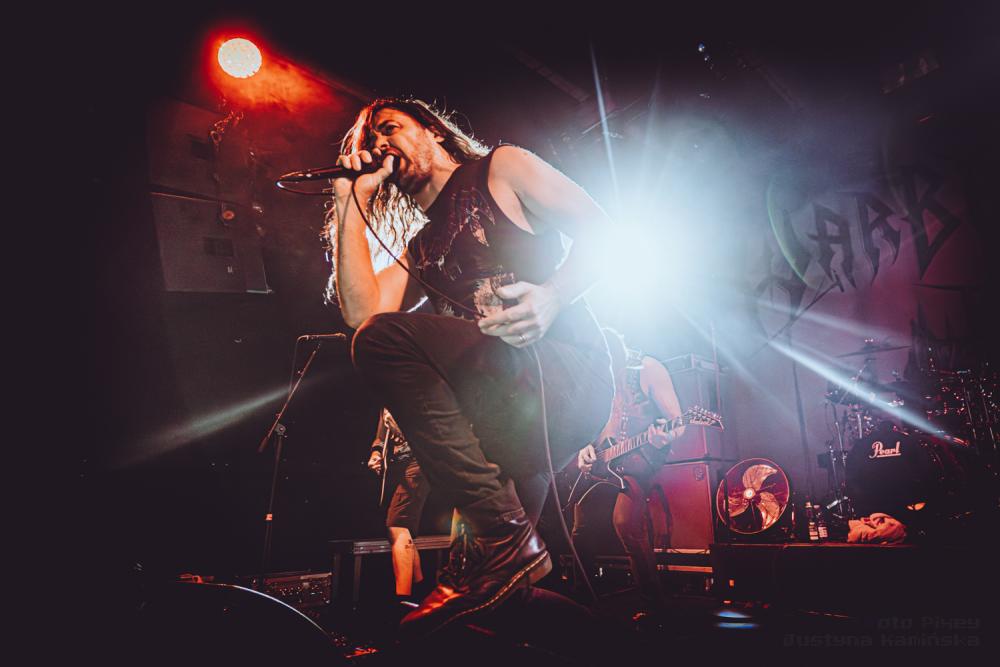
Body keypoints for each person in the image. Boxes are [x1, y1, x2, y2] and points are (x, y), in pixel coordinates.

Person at [325, 97, 615, 634]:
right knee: (488, 595)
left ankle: (506, 536)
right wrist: (348, 200)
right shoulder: (419, 246)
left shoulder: (501, 169)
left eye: (390, 128)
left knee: (386, 340)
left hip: (564, 373)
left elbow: (606, 230)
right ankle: (611, 642)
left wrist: (554, 295)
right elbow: (360, 313)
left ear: (433, 130)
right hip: (504, 419)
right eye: (371, 142)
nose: (380, 144)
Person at [574, 328, 684, 612]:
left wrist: (665, 435)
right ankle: (587, 603)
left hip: (640, 459)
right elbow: (595, 423)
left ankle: (654, 607)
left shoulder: (648, 369)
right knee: (579, 528)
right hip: (605, 461)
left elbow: (678, 421)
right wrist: (585, 447)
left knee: (626, 524)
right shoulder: (597, 377)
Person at [367, 408, 431, 598]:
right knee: (402, 530)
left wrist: (404, 430)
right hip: (399, 465)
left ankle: (403, 598)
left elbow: (433, 431)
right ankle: (420, 591)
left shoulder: (415, 394)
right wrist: (376, 454)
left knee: (397, 525)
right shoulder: (386, 401)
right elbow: (381, 437)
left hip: (419, 461)